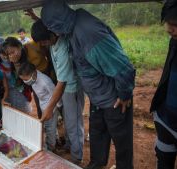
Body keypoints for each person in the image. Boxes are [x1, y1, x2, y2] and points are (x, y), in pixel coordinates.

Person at [41, 1, 136, 169]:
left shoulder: (88, 32)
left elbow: (124, 68)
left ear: (57, 22)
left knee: (121, 142)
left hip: (113, 99)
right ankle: (96, 163)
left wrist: (124, 95)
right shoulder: (71, 25)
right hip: (97, 97)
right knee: (98, 136)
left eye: (51, 27)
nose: (52, 32)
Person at [31, 19, 85, 164]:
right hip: (65, 89)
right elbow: (46, 27)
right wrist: (36, 18)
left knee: (74, 123)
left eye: (44, 41)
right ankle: (69, 144)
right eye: (40, 42)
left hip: (71, 89)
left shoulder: (63, 49)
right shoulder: (53, 40)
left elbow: (61, 83)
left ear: (52, 34)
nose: (43, 45)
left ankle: (76, 157)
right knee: (68, 120)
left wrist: (49, 108)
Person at [150, 1, 177, 169]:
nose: (169, 29)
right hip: (166, 121)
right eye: (168, 24)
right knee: (164, 162)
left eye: (175, 25)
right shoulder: (174, 42)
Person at [18, 62, 59, 151]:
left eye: (26, 79)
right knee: (49, 127)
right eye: (23, 80)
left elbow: (55, 95)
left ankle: (51, 149)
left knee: (49, 129)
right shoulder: (33, 79)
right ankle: (56, 140)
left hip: (50, 109)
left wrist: (53, 109)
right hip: (43, 107)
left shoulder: (45, 81)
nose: (26, 81)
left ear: (33, 73)